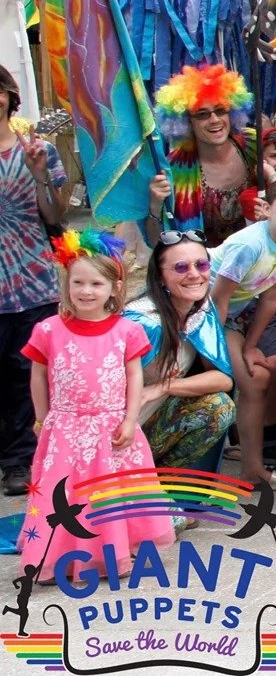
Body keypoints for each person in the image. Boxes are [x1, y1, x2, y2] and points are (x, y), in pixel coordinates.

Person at [21, 231, 169, 583]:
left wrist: (131, 420)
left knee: (113, 492)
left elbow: (135, 378)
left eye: (96, 283)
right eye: (78, 283)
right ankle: (62, 556)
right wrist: (42, 418)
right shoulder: (48, 330)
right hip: (65, 427)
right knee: (63, 492)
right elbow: (38, 376)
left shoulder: (127, 331)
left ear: (115, 287)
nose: (86, 291)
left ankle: (116, 552)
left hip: (111, 426)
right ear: (66, 285)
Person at [213, 178, 276, 490]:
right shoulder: (249, 245)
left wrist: (250, 346)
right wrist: (214, 356)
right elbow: (217, 300)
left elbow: (272, 297)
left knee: (258, 377)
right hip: (198, 311)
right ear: (267, 209)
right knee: (245, 380)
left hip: (231, 315)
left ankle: (252, 468)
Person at [0, 65, 66, 496]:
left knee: (27, 377)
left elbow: (56, 215)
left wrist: (39, 170)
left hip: (31, 282)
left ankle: (20, 461)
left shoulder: (39, 149)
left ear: (9, 96)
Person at [123, 235, 236, 474]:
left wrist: (164, 386)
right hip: (116, 434)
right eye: (181, 267)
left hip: (152, 422)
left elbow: (223, 380)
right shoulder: (140, 323)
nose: (194, 274)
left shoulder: (201, 309)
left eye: (201, 265)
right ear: (160, 277)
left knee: (219, 407)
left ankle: (161, 484)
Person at [148, 63, 258, 248]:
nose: (215, 120)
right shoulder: (173, 169)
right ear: (186, 121)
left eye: (221, 110)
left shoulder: (254, 145)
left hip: (259, 263)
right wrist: (155, 205)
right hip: (203, 268)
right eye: (202, 114)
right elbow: (154, 242)